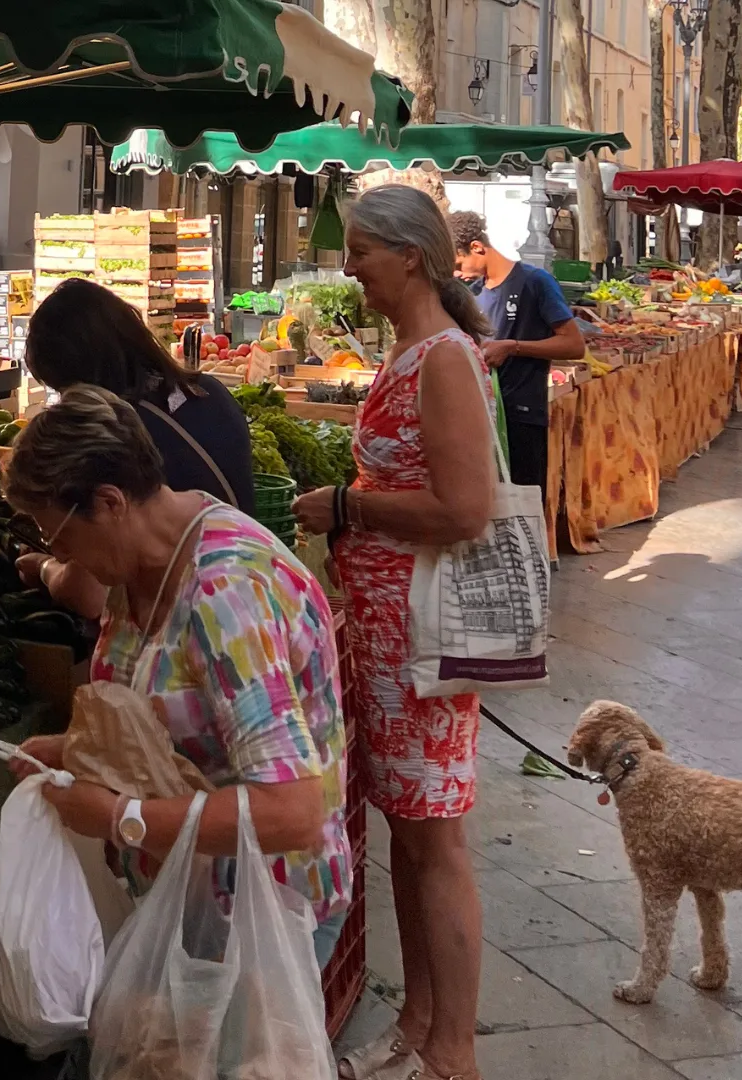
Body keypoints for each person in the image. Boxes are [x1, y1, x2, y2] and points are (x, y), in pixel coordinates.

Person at [3, 385, 351, 973]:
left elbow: (293, 810)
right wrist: (78, 752)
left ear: (110, 501)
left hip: (262, 921)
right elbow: (177, 721)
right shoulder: (140, 563)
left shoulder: (226, 595)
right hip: (191, 906)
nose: (59, 555)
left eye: (59, 536)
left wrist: (119, 818)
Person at [295, 185, 500, 1080]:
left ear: (410, 257)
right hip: (389, 639)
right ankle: (417, 1026)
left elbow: (465, 509)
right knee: (410, 839)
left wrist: (347, 504)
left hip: (425, 638)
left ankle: (452, 1052)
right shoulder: (415, 351)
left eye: (361, 252)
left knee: (436, 841)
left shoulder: (444, 359)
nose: (350, 269)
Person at [23, 277, 254, 511]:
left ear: (78, 372)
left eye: (64, 389)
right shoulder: (207, 390)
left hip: (182, 546)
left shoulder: (114, 432)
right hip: (238, 540)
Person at [449, 211, 584, 494]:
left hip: (523, 416)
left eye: (459, 263)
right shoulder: (473, 294)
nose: (456, 273)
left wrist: (513, 347)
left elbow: (574, 345)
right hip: (483, 416)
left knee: (524, 502)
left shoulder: (535, 282)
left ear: (476, 247)